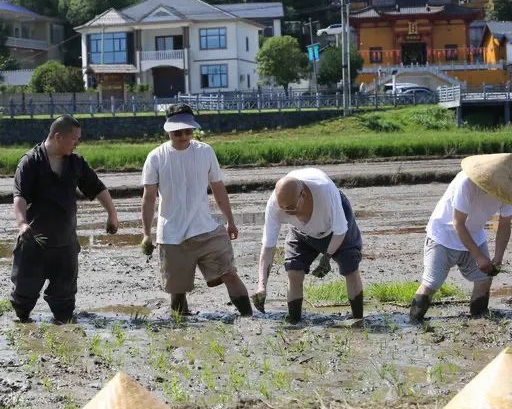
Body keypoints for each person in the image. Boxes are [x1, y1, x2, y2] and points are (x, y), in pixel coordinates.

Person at [140, 104, 252, 316]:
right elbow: (148, 198)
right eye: (178, 132)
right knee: (177, 290)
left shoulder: (205, 151)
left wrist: (230, 220)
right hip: (172, 235)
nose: (184, 136)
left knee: (229, 274)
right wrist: (146, 233)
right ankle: (181, 327)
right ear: (168, 130)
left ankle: (250, 318)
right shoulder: (156, 157)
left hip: (206, 230)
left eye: (188, 131)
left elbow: (218, 189)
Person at [11, 115, 119, 323]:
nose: (78, 142)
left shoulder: (76, 163)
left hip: (65, 243)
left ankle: (63, 324)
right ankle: (23, 318)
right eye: (74, 138)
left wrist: (112, 214)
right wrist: (22, 223)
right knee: (23, 300)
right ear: (58, 136)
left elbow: (98, 188)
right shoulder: (30, 162)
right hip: (34, 242)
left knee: (65, 305)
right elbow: (20, 197)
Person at [409, 153, 512, 322]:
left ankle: (479, 318)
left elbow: (504, 225)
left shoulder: (507, 191)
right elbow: (458, 223)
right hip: (443, 236)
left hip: (474, 235)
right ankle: (414, 321)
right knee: (432, 283)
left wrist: (498, 257)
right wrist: (479, 257)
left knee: (484, 278)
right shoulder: (466, 182)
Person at [253, 168, 363, 324]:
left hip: (334, 228)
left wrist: (327, 257)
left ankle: (357, 319)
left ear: (303, 195)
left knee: (350, 267)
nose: (288, 212)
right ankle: (294, 321)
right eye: (284, 209)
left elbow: (340, 231)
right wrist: (261, 286)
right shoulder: (276, 206)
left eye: (292, 207)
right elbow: (268, 246)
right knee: (293, 270)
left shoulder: (325, 192)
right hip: (301, 231)